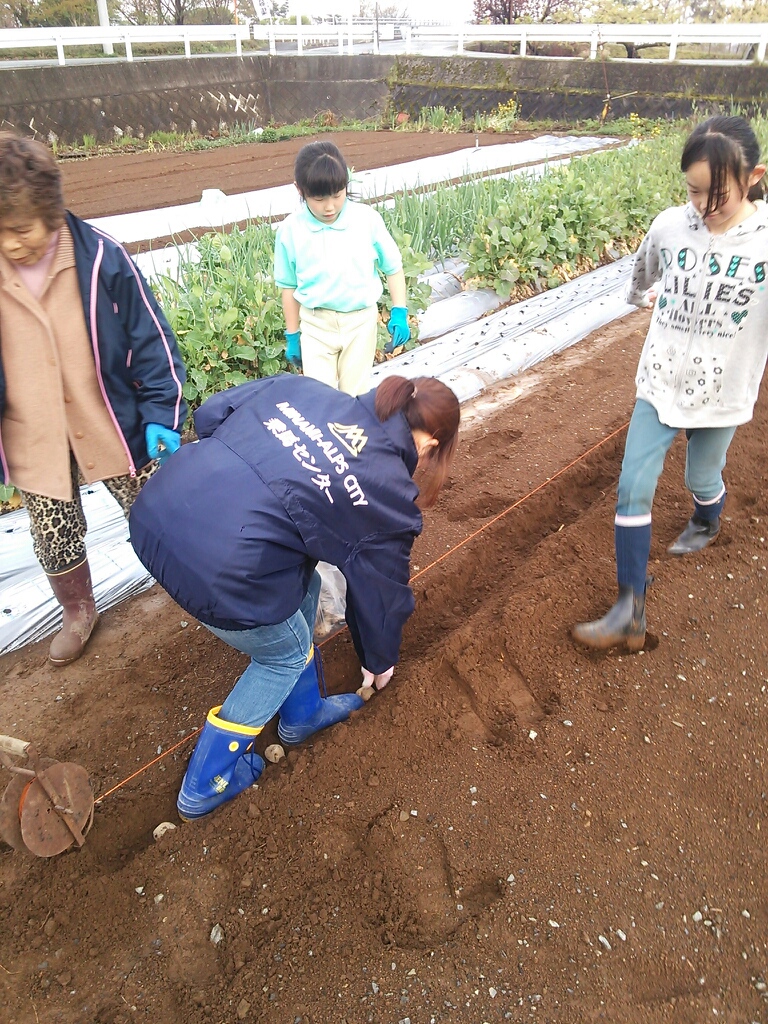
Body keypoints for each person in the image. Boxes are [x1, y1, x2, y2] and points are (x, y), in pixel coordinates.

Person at [129, 373, 460, 820]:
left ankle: (303, 715)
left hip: (157, 510)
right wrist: (379, 660)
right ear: (430, 443)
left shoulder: (304, 390)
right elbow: (381, 592)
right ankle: (205, 785)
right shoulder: (388, 491)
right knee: (282, 656)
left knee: (307, 582)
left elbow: (211, 415)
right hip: (219, 571)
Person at [573, 115, 768, 652]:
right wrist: (655, 297)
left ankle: (707, 518)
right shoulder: (669, 227)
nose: (702, 206)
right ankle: (629, 610)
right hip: (659, 380)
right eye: (693, 191)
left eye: (717, 195)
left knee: (701, 474)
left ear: (754, 177)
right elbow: (640, 281)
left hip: (724, 389)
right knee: (633, 483)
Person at [0, 132, 187, 665]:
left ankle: (192, 577)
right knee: (52, 527)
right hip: (30, 429)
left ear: (51, 213)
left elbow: (150, 337)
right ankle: (78, 610)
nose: (12, 244)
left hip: (109, 416)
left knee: (157, 506)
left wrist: (162, 411)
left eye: (22, 230)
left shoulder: (101, 258)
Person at [274, 140, 410, 396]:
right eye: (319, 198)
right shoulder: (290, 230)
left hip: (360, 322)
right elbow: (288, 286)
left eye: (337, 195)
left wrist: (399, 311)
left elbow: (393, 267)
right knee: (319, 399)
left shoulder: (366, 220)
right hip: (316, 325)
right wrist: (292, 334)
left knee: (353, 396)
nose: (329, 207)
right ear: (300, 190)